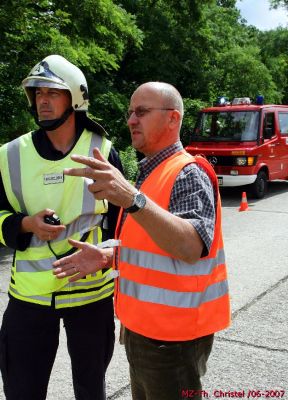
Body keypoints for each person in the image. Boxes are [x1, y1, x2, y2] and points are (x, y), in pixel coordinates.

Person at [53, 82, 231, 400]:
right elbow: (153, 246)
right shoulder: (152, 171)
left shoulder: (187, 173)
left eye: (142, 112)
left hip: (172, 339)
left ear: (173, 119)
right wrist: (109, 257)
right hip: (146, 331)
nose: (131, 120)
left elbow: (190, 246)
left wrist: (132, 199)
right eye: (130, 112)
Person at [0, 54, 123, 400]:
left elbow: (122, 224)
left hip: (92, 294)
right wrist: (24, 223)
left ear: (76, 98)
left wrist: (108, 256)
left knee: (91, 390)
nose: (42, 100)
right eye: (37, 94)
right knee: (23, 391)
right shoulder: (10, 155)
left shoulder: (103, 151)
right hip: (29, 296)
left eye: (52, 93)